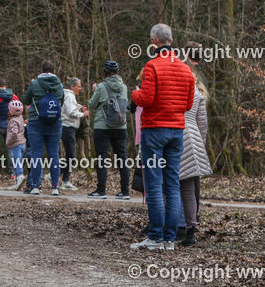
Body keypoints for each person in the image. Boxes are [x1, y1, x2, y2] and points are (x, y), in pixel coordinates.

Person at [129, 24, 195, 250]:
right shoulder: (187, 70)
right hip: (177, 131)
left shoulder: (152, 66)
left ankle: (155, 237)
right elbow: (188, 104)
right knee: (172, 184)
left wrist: (133, 93)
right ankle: (169, 238)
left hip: (155, 130)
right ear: (172, 40)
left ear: (153, 41)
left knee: (154, 184)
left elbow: (145, 99)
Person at [178, 51, 211, 246]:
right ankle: (191, 229)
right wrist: (201, 145)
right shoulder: (197, 92)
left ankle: (171, 226)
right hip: (193, 139)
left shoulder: (170, 90)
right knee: (189, 189)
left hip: (174, 134)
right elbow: (203, 124)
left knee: (169, 187)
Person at [87, 61, 130, 199]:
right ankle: (125, 191)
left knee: (102, 158)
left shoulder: (101, 86)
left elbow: (91, 105)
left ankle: (101, 191)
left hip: (102, 126)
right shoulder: (124, 87)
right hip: (121, 126)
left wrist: (96, 90)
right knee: (122, 159)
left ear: (105, 72)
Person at [22, 61, 65, 196]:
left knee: (36, 154)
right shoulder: (59, 84)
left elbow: (26, 100)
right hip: (55, 123)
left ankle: (36, 186)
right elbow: (61, 102)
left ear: (41, 70)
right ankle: (54, 188)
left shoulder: (35, 84)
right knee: (54, 155)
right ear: (53, 70)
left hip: (36, 121)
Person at [60, 77, 88, 190]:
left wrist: (80, 107)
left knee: (70, 155)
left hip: (69, 128)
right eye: (79, 86)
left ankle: (61, 178)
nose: (80, 88)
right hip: (68, 127)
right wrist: (83, 114)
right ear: (72, 86)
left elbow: (71, 107)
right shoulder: (69, 95)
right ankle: (61, 178)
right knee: (71, 155)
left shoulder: (69, 95)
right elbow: (70, 112)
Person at [6, 99, 26, 190]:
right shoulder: (20, 117)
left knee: (17, 162)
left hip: (16, 144)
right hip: (22, 143)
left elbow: (14, 133)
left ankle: (19, 176)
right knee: (19, 161)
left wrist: (9, 141)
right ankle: (17, 183)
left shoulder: (13, 121)